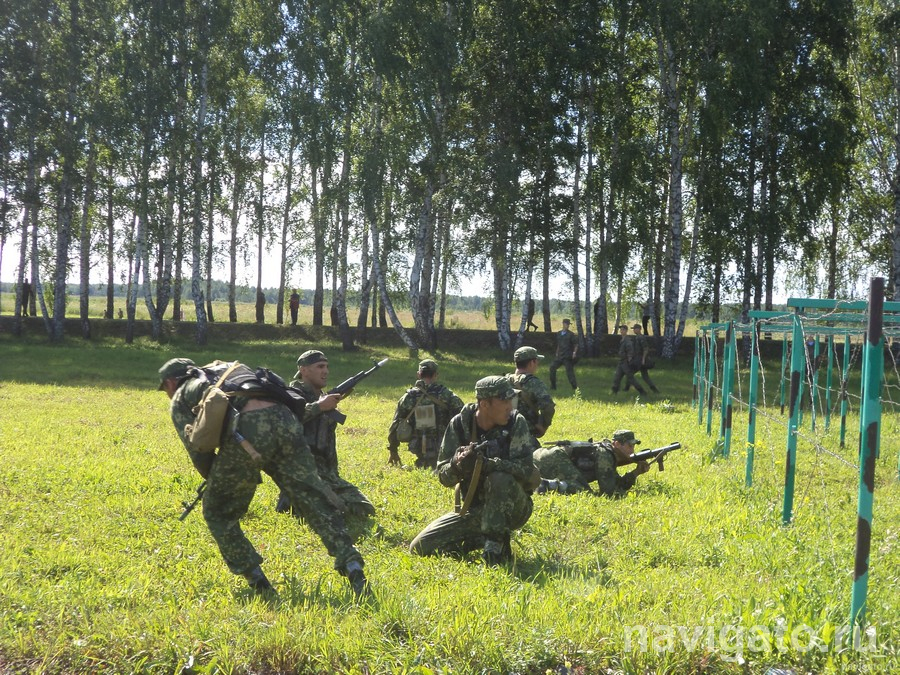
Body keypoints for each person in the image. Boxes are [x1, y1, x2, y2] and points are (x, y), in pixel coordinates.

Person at [158, 357, 369, 597]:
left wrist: (217, 479)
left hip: (247, 431)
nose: (167, 394)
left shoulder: (181, 395)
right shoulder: (228, 369)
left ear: (171, 382)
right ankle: (353, 566)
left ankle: (258, 582)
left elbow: (198, 450)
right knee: (314, 500)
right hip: (286, 420)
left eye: (165, 389)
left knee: (218, 513)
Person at [409, 376, 539, 565]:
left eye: (511, 400)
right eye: (504, 401)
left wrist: (488, 464)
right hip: (476, 509)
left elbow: (526, 470)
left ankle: (495, 549)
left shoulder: (515, 423)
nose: (510, 407)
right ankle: (484, 537)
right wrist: (458, 465)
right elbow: (444, 477)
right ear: (485, 404)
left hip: (513, 508)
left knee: (499, 478)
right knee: (420, 547)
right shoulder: (459, 425)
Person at [275, 350, 375, 523]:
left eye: (327, 367)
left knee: (363, 508)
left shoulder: (323, 397)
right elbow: (285, 422)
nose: (326, 371)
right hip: (302, 472)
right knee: (333, 510)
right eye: (320, 367)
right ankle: (293, 498)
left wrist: (334, 475)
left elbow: (328, 444)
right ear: (303, 370)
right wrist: (319, 407)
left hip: (326, 474)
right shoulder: (291, 395)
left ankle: (303, 501)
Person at [387, 359, 464, 469]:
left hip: (417, 445)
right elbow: (463, 417)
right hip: (443, 445)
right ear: (436, 375)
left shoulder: (409, 397)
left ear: (418, 375)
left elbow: (395, 424)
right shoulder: (447, 395)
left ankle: (423, 462)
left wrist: (393, 450)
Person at [533, 429, 651, 496]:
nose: (632, 450)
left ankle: (538, 482)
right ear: (617, 444)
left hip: (541, 455)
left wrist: (636, 472)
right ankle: (545, 485)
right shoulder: (605, 455)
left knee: (581, 487)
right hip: (553, 458)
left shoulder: (607, 453)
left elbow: (615, 483)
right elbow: (608, 492)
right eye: (630, 446)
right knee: (583, 491)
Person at [505, 346, 555, 449]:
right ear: (532, 362)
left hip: (502, 434)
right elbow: (548, 406)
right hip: (525, 435)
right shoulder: (534, 383)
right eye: (537, 361)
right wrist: (543, 425)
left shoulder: (504, 381)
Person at [611, 324, 646, 396]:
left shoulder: (627, 341)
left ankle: (641, 391)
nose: (621, 331)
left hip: (625, 362)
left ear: (626, 331)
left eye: (623, 330)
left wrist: (629, 360)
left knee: (630, 378)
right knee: (617, 377)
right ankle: (614, 391)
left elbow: (630, 351)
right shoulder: (622, 340)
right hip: (621, 362)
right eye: (621, 330)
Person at [628, 323, 659, 394]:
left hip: (639, 359)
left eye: (635, 329)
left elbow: (645, 349)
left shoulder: (641, 338)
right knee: (645, 376)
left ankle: (631, 388)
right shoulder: (637, 337)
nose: (634, 330)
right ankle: (654, 389)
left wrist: (643, 359)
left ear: (639, 329)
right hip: (638, 359)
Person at [549, 318, 578, 390]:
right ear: (563, 324)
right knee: (552, 367)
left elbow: (576, 344)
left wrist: (574, 353)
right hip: (560, 356)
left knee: (569, 372)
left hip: (567, 356)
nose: (567, 326)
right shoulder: (559, 334)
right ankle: (553, 386)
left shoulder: (571, 334)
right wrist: (557, 352)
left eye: (568, 324)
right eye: (566, 324)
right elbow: (559, 344)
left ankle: (574, 387)